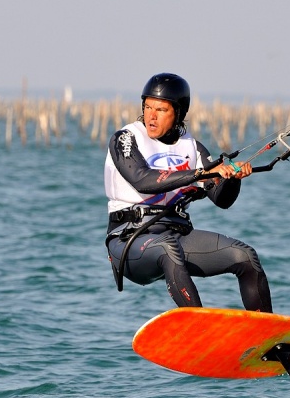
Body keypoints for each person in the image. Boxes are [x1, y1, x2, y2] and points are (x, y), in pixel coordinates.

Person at [104, 73, 272, 312]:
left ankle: (270, 339)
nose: (151, 115)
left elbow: (222, 199)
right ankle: (200, 332)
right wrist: (196, 174)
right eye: (147, 107)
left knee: (245, 256)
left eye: (161, 110)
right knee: (166, 248)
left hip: (177, 235)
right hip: (129, 241)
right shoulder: (126, 139)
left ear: (179, 113)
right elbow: (142, 180)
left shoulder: (192, 147)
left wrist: (233, 179)